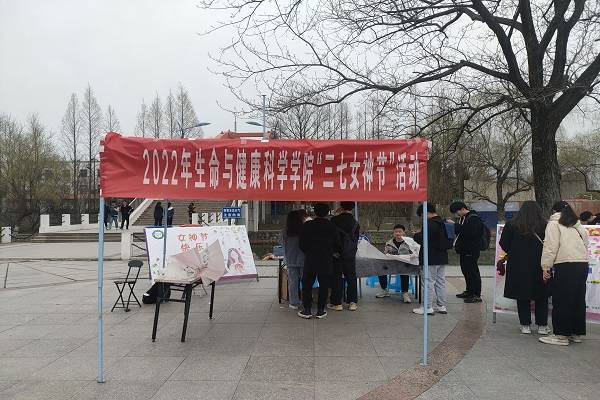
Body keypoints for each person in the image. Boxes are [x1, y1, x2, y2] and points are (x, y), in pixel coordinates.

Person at [539, 201, 589, 346]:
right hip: (582, 264)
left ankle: (561, 335)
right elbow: (585, 243)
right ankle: (576, 333)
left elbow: (550, 247)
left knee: (562, 300)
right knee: (578, 300)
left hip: (565, 264)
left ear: (554, 211)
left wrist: (545, 267)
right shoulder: (578, 225)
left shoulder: (554, 224)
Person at [498, 201, 550, 335]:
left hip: (518, 265)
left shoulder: (511, 225)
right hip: (540, 265)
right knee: (541, 296)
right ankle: (542, 326)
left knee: (522, 295)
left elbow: (504, 244)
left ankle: (525, 325)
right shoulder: (545, 225)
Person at [298, 203, 341, 319]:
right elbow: (337, 244)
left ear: (314, 212)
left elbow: (301, 243)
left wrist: (308, 251)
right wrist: (330, 251)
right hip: (326, 260)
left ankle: (307, 309)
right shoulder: (332, 226)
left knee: (307, 284)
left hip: (310, 259)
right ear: (327, 213)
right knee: (324, 285)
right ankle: (320, 310)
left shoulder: (307, 225)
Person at [412, 204, 449, 315]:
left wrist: (416, 235)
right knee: (440, 282)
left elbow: (423, 239)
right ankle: (441, 306)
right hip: (442, 257)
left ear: (426, 212)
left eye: (422, 215)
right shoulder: (444, 223)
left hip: (430, 257)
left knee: (428, 282)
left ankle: (427, 307)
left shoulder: (430, 224)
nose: (422, 218)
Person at [448, 201, 484, 303]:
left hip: (471, 250)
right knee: (466, 271)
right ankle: (469, 291)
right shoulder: (464, 218)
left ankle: (476, 294)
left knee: (472, 272)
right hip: (464, 249)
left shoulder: (473, 218)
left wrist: (455, 225)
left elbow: (470, 232)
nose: (456, 214)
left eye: (457, 212)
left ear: (463, 209)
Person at [329, 201, 360, 311]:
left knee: (337, 277)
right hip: (350, 254)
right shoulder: (355, 223)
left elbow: (331, 237)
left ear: (341, 207)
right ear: (352, 208)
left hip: (337, 254)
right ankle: (352, 303)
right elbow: (356, 239)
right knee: (351, 277)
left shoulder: (334, 220)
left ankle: (337, 303)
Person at [376, 224, 413, 303]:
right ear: (393, 233)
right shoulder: (389, 243)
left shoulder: (409, 243)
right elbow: (385, 254)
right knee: (380, 269)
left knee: (405, 271)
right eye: (396, 232)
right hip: (392, 265)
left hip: (404, 264)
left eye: (400, 231)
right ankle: (384, 290)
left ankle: (405, 293)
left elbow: (413, 254)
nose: (398, 233)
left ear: (403, 233)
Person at [282, 210, 306, 309]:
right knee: (305, 281)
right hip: (303, 259)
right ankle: (306, 301)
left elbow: (282, 244)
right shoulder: (304, 230)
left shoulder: (285, 232)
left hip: (291, 259)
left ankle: (294, 302)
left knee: (293, 282)